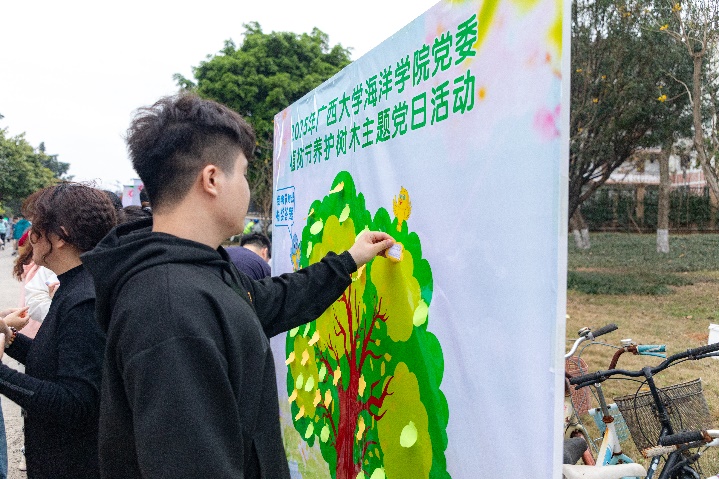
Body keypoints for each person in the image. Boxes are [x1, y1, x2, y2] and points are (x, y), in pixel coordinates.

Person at [82, 94, 393, 479]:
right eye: (244, 174)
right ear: (212, 179)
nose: (247, 188)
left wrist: (349, 260)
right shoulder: (170, 308)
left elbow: (271, 300)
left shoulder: (200, 271)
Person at [0, 183, 117, 478]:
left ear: (60, 236)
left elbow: (75, 402)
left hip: (73, 464)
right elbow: (56, 357)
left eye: (36, 229)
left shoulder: (84, 299)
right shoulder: (76, 285)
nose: (31, 237)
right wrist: (10, 338)